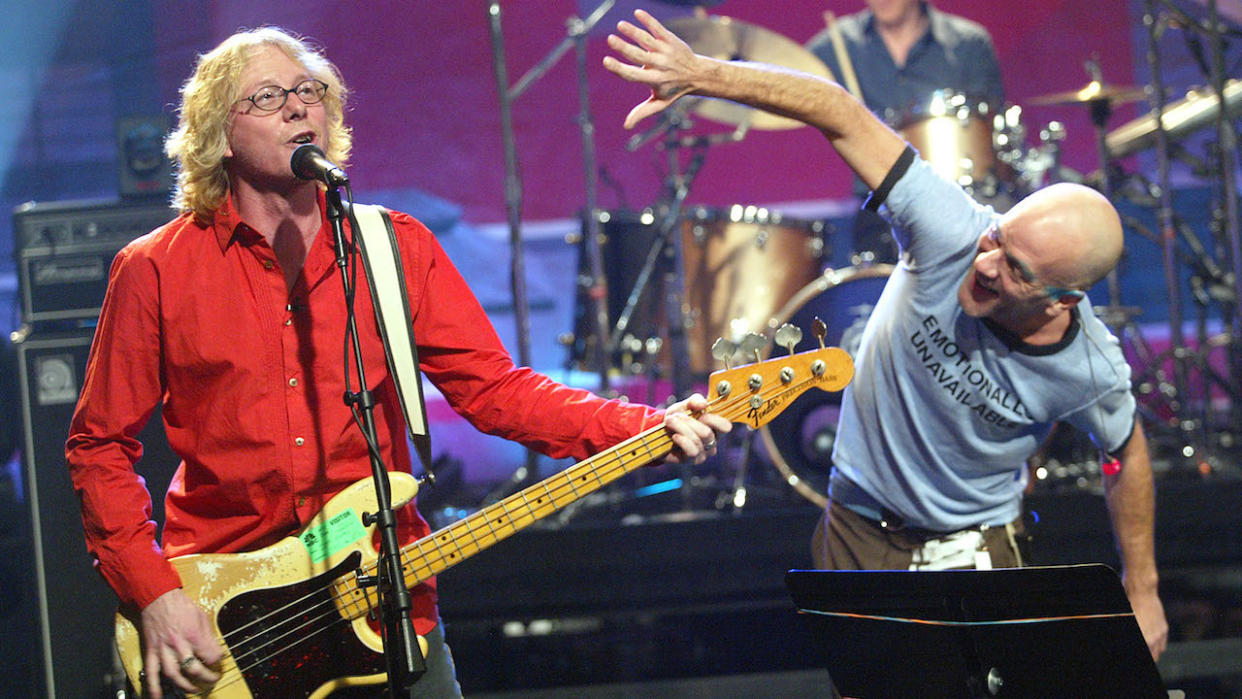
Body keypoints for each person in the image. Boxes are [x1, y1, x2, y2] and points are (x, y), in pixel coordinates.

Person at [65, 26, 731, 699]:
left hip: (384, 607)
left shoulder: (390, 248)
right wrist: (153, 592)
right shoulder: (155, 268)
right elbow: (98, 446)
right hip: (230, 616)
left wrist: (640, 427)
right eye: (268, 97)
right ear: (218, 133)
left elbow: (496, 391)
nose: (300, 108)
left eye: (309, 92)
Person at [603, 9, 1168, 661]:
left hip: (978, 544)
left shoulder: (1087, 365)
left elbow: (1126, 451)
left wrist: (1144, 586)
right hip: (854, 529)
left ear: (1063, 300)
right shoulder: (951, 228)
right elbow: (838, 110)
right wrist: (703, 74)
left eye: (1015, 269)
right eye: (998, 238)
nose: (985, 264)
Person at [806, 0, 1005, 261]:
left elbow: (988, 130)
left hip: (959, 203)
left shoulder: (969, 43)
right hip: (879, 211)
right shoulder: (837, 43)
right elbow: (785, 79)